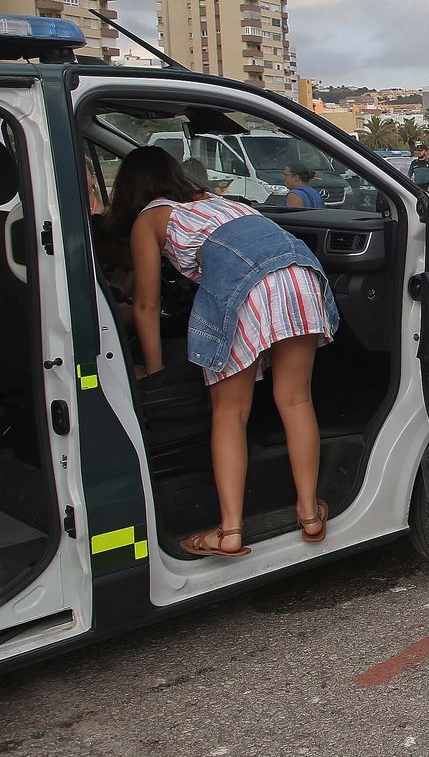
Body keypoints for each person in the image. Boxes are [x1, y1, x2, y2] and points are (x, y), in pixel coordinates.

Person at [110, 146, 336, 557]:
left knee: (230, 412)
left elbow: (145, 304)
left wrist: (156, 373)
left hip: (243, 287)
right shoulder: (219, 201)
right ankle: (309, 515)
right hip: (300, 273)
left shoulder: (149, 219)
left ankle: (230, 531)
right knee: (295, 399)